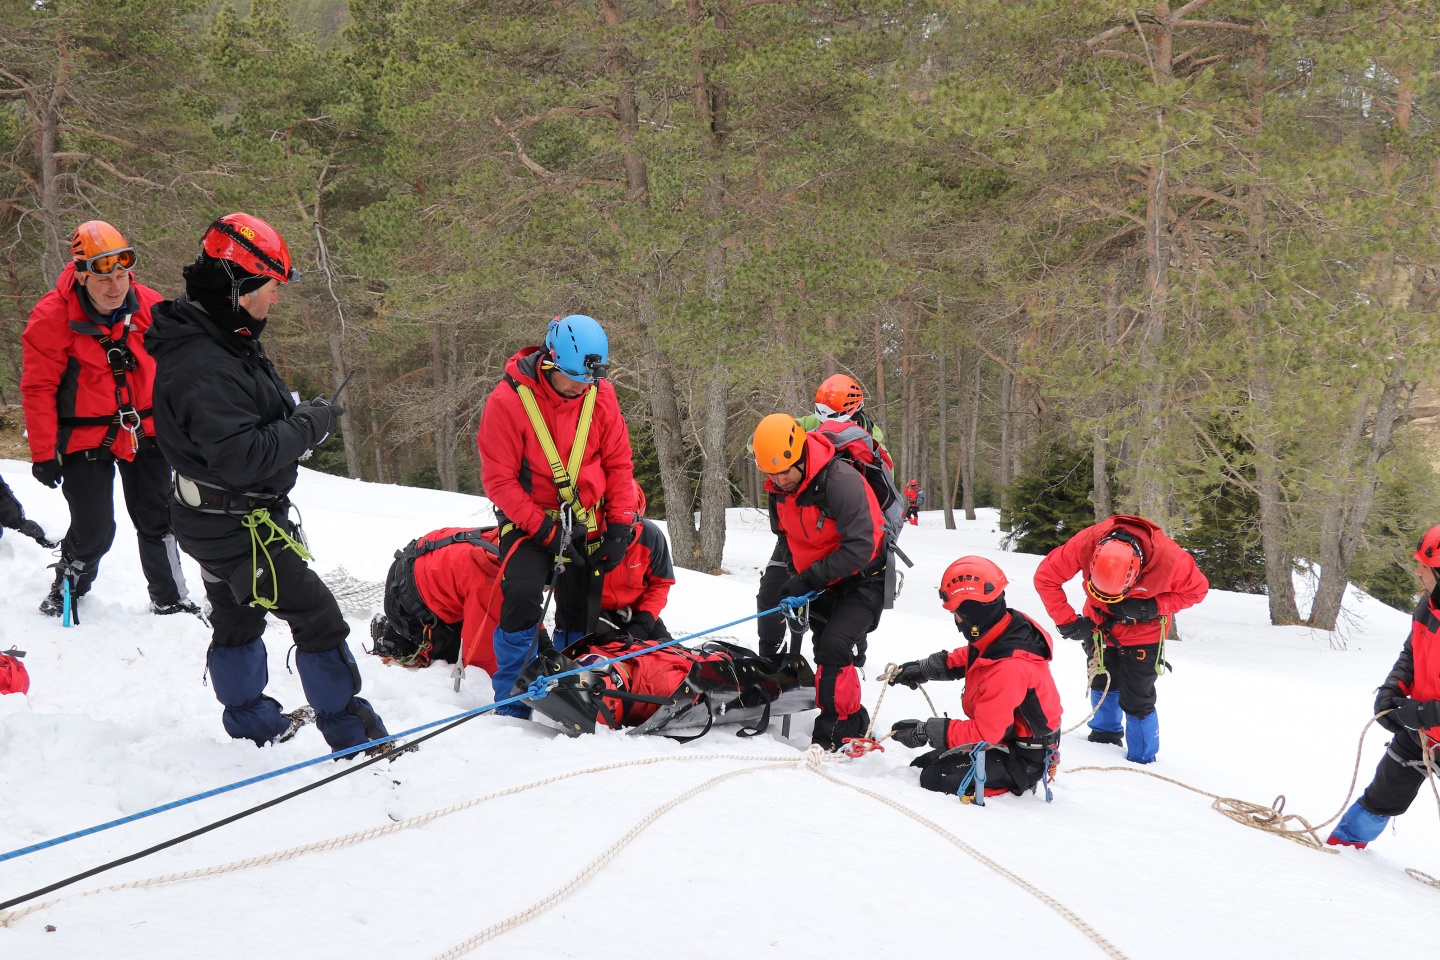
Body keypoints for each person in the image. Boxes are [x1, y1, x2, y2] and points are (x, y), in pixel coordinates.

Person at [147, 212, 388, 752]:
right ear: (239, 287)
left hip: (218, 516)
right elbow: (242, 457)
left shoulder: (219, 334)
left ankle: (251, 721)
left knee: (237, 616)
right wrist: (309, 425)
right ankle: (353, 734)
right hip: (233, 523)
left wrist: (296, 416)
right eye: (270, 288)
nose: (274, 301)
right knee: (318, 617)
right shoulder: (204, 361)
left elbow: (243, 425)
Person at [20, 220, 197, 618]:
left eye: (122, 275)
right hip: (84, 435)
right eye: (104, 280)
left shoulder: (148, 305)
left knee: (158, 519)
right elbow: (38, 388)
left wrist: (188, 423)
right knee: (94, 528)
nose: (116, 287)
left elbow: (182, 368)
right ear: (82, 276)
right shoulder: (52, 317)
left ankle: (170, 599)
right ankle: (68, 586)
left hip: (145, 430)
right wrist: (44, 452)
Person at [477, 314, 638, 718]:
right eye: (574, 378)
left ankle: (570, 689)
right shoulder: (508, 401)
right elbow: (499, 482)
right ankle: (513, 698)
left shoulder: (601, 396)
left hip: (587, 518)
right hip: (529, 519)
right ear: (550, 361)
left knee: (581, 603)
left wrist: (620, 523)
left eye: (589, 379)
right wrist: (545, 531)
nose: (582, 386)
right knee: (523, 594)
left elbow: (619, 464)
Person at [752, 412, 886, 750]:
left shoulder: (840, 481)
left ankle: (832, 734)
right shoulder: (778, 489)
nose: (779, 481)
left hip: (863, 579)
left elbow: (862, 546)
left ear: (799, 457)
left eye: (784, 472)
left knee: (834, 647)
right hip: (821, 579)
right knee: (824, 649)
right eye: (771, 474)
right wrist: (796, 579)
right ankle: (853, 719)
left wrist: (808, 579)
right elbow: (784, 536)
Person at [1033, 514, 1209, 764]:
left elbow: (1197, 591)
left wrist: (1152, 606)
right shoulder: (1088, 541)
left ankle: (1143, 758)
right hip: (1099, 627)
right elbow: (1046, 577)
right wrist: (1068, 623)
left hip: (1144, 633)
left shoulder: (1171, 559)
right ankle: (1103, 737)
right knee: (1102, 679)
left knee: (1138, 696)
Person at [888, 556, 1062, 800]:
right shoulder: (999, 630)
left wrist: (927, 731)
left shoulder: (1011, 668)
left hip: (1024, 758)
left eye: (957, 613)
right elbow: (974, 658)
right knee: (920, 765)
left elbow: (985, 732)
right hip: (1004, 739)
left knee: (934, 777)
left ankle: (1018, 784)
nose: (956, 619)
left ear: (972, 615)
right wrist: (924, 669)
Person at [1327, 525, 1440, 848]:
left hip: (1422, 722)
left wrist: (1421, 712)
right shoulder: (1429, 607)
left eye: (1425, 565)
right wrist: (1391, 691)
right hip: (1420, 734)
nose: (1417, 570)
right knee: (1382, 795)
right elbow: (1412, 654)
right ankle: (1342, 849)